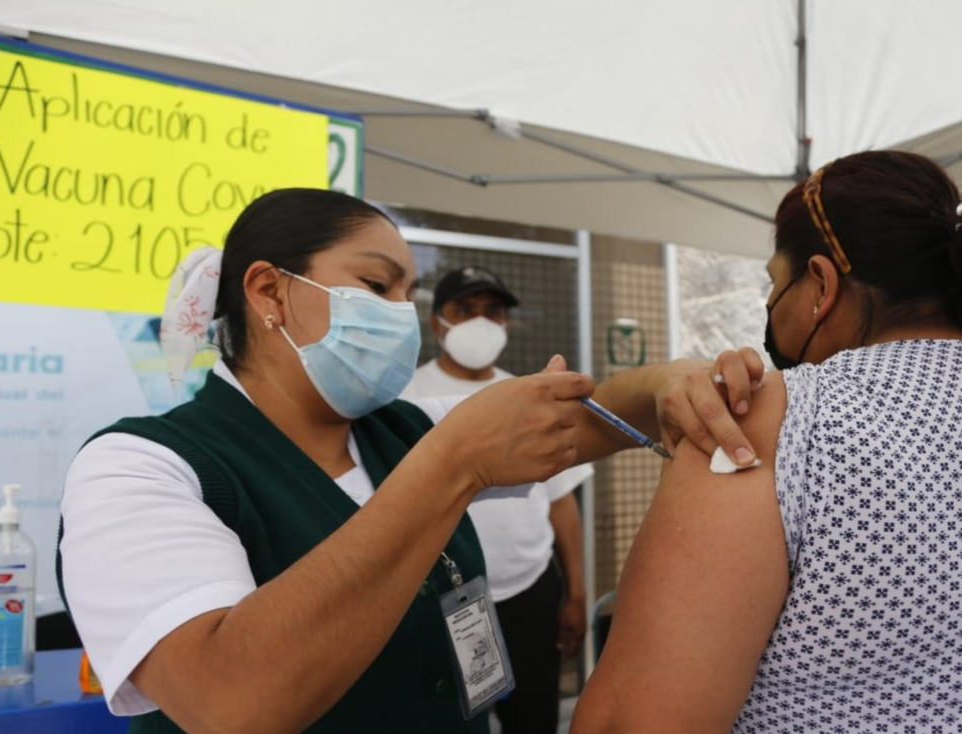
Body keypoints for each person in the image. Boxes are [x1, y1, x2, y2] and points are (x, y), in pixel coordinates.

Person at [57, 188, 763, 734]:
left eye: (407, 295)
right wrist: (455, 464)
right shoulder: (139, 469)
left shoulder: (400, 431)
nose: (400, 315)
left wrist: (667, 382)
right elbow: (229, 701)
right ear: (269, 292)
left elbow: (586, 420)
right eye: (376, 286)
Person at [572, 151, 962, 734]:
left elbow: (629, 723)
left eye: (774, 282)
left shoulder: (766, 425)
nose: (769, 303)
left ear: (820, 282)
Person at [402, 265, 592, 734]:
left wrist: (576, 591)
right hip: (438, 599)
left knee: (533, 719)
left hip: (529, 589)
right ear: (436, 323)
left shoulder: (530, 396)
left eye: (492, 311)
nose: (480, 322)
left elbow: (561, 500)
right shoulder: (405, 399)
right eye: (464, 310)